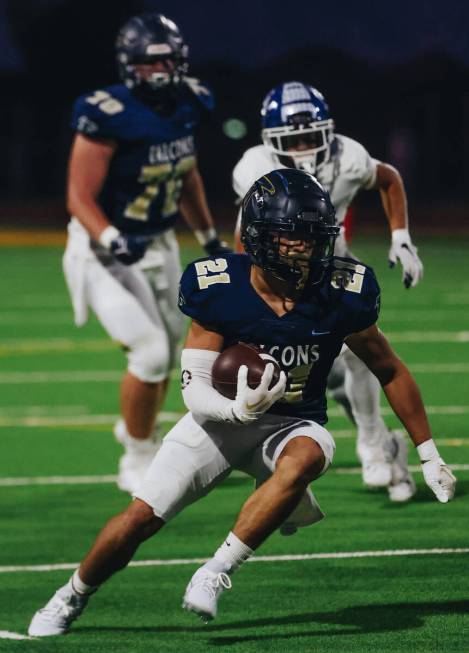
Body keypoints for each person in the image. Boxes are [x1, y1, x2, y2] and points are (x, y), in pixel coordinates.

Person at [29, 169, 455, 635]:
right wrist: (236, 410)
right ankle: (71, 594)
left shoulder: (342, 292)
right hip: (220, 420)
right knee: (138, 520)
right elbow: (194, 387)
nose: (306, 248)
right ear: (258, 237)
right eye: (291, 237)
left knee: (309, 455)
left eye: (314, 236)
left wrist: (428, 452)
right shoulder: (220, 287)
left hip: (295, 422)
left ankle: (216, 570)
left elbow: (388, 367)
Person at [63, 12, 230, 494]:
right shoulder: (105, 113)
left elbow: (186, 174)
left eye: (164, 60)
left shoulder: (190, 102)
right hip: (103, 250)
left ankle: (140, 429)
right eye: (145, 62)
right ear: (127, 65)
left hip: (159, 242)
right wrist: (114, 238)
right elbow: (79, 196)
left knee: (173, 351)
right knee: (150, 352)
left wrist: (207, 235)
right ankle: (136, 456)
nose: (156, 71)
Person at [232, 81, 425, 501]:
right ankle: (388, 448)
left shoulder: (348, 156)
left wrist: (401, 237)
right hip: (278, 276)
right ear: (271, 140)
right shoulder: (253, 167)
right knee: (304, 375)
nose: (302, 147)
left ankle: (374, 443)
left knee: (361, 352)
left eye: (310, 136)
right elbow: (244, 236)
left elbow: (388, 178)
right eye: (292, 139)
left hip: (333, 268)